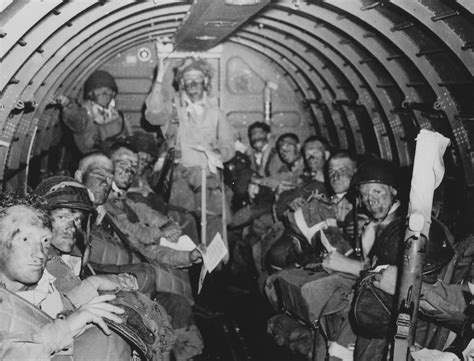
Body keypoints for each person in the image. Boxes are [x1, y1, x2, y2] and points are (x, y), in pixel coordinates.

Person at [74, 151, 205, 360]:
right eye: (100, 177)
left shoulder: (107, 213)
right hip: (111, 290)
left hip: (134, 280)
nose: (106, 184)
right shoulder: (74, 218)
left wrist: (187, 257)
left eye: (109, 178)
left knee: (178, 304)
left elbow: (141, 249)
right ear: (80, 176)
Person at [0, 192, 129, 360]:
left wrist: (91, 286)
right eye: (25, 239)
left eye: (45, 241)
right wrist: (65, 329)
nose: (39, 253)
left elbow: (59, 310)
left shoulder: (46, 281)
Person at [145, 41, 235, 245]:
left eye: (198, 79)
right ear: (181, 83)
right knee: (181, 232)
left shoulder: (217, 113)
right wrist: (159, 79)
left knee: (214, 233)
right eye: (188, 79)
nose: (193, 83)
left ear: (206, 82)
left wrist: (216, 154)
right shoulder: (172, 109)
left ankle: (214, 273)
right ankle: (187, 271)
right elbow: (153, 115)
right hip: (179, 181)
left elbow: (229, 145)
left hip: (208, 179)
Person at [58, 70, 131, 154]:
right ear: (90, 94)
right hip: (93, 160)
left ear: (113, 94)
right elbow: (75, 118)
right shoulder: (85, 115)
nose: (104, 94)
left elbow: (129, 137)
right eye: (99, 91)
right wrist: (68, 104)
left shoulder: (118, 116)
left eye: (108, 90)